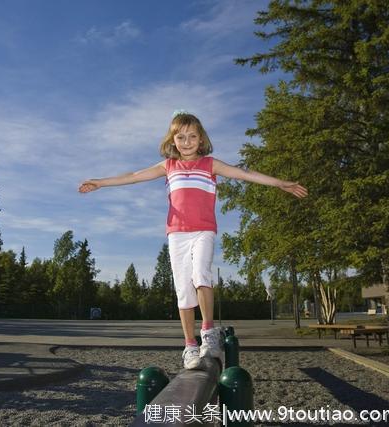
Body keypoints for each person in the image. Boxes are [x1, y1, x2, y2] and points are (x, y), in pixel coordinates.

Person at [79, 110, 307, 369]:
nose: (186, 142)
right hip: (177, 234)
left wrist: (279, 183)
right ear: (172, 140)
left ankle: (208, 332)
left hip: (203, 231)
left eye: (192, 136)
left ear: (201, 139)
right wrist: (100, 182)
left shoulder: (210, 164)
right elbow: (132, 176)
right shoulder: (168, 166)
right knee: (183, 291)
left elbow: (244, 174)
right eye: (180, 137)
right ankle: (189, 346)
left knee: (201, 274)